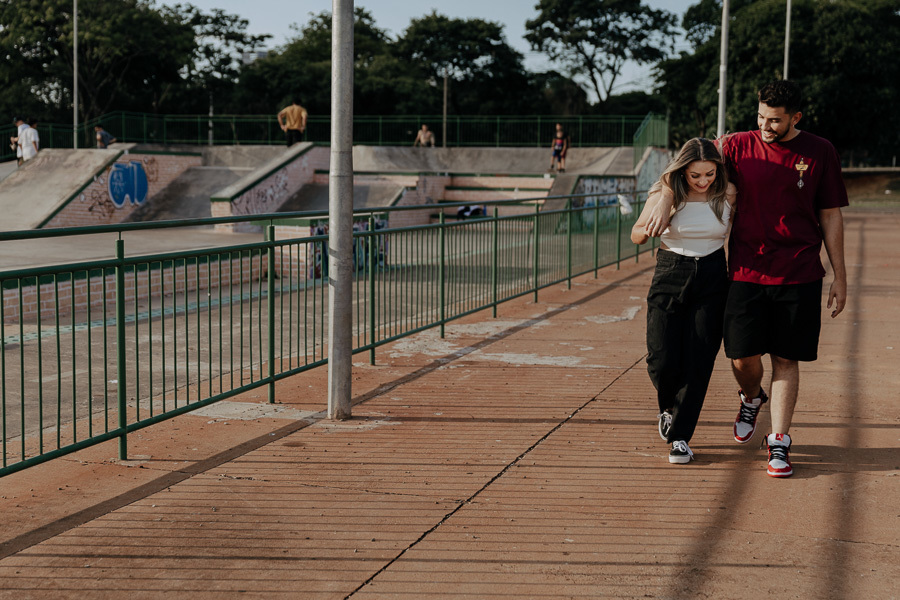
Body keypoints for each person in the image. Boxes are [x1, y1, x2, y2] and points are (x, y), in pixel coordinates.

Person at [642, 80, 848, 477]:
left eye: (774, 120)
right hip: (744, 272)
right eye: (760, 117)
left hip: (800, 270)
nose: (765, 125)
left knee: (786, 359)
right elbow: (692, 159)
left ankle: (779, 442)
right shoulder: (736, 145)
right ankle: (751, 397)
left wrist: (840, 276)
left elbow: (831, 215)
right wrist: (666, 193)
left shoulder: (821, 151)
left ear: (795, 118)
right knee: (741, 357)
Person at [631, 138, 736, 464]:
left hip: (713, 276)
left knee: (699, 359)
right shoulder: (664, 194)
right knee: (661, 357)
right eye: (695, 176)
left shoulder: (728, 193)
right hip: (671, 272)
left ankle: (680, 436)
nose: (704, 182)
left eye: (709, 174)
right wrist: (649, 226)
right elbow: (635, 233)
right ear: (682, 171)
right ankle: (667, 408)